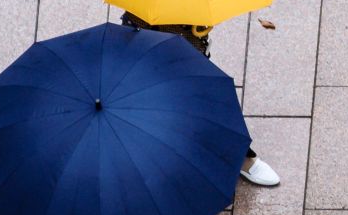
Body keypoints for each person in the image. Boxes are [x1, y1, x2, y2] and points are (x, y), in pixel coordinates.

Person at [120, 11, 280, 186]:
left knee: (195, 84)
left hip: (181, 21)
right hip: (149, 25)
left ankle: (235, 152)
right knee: (178, 86)